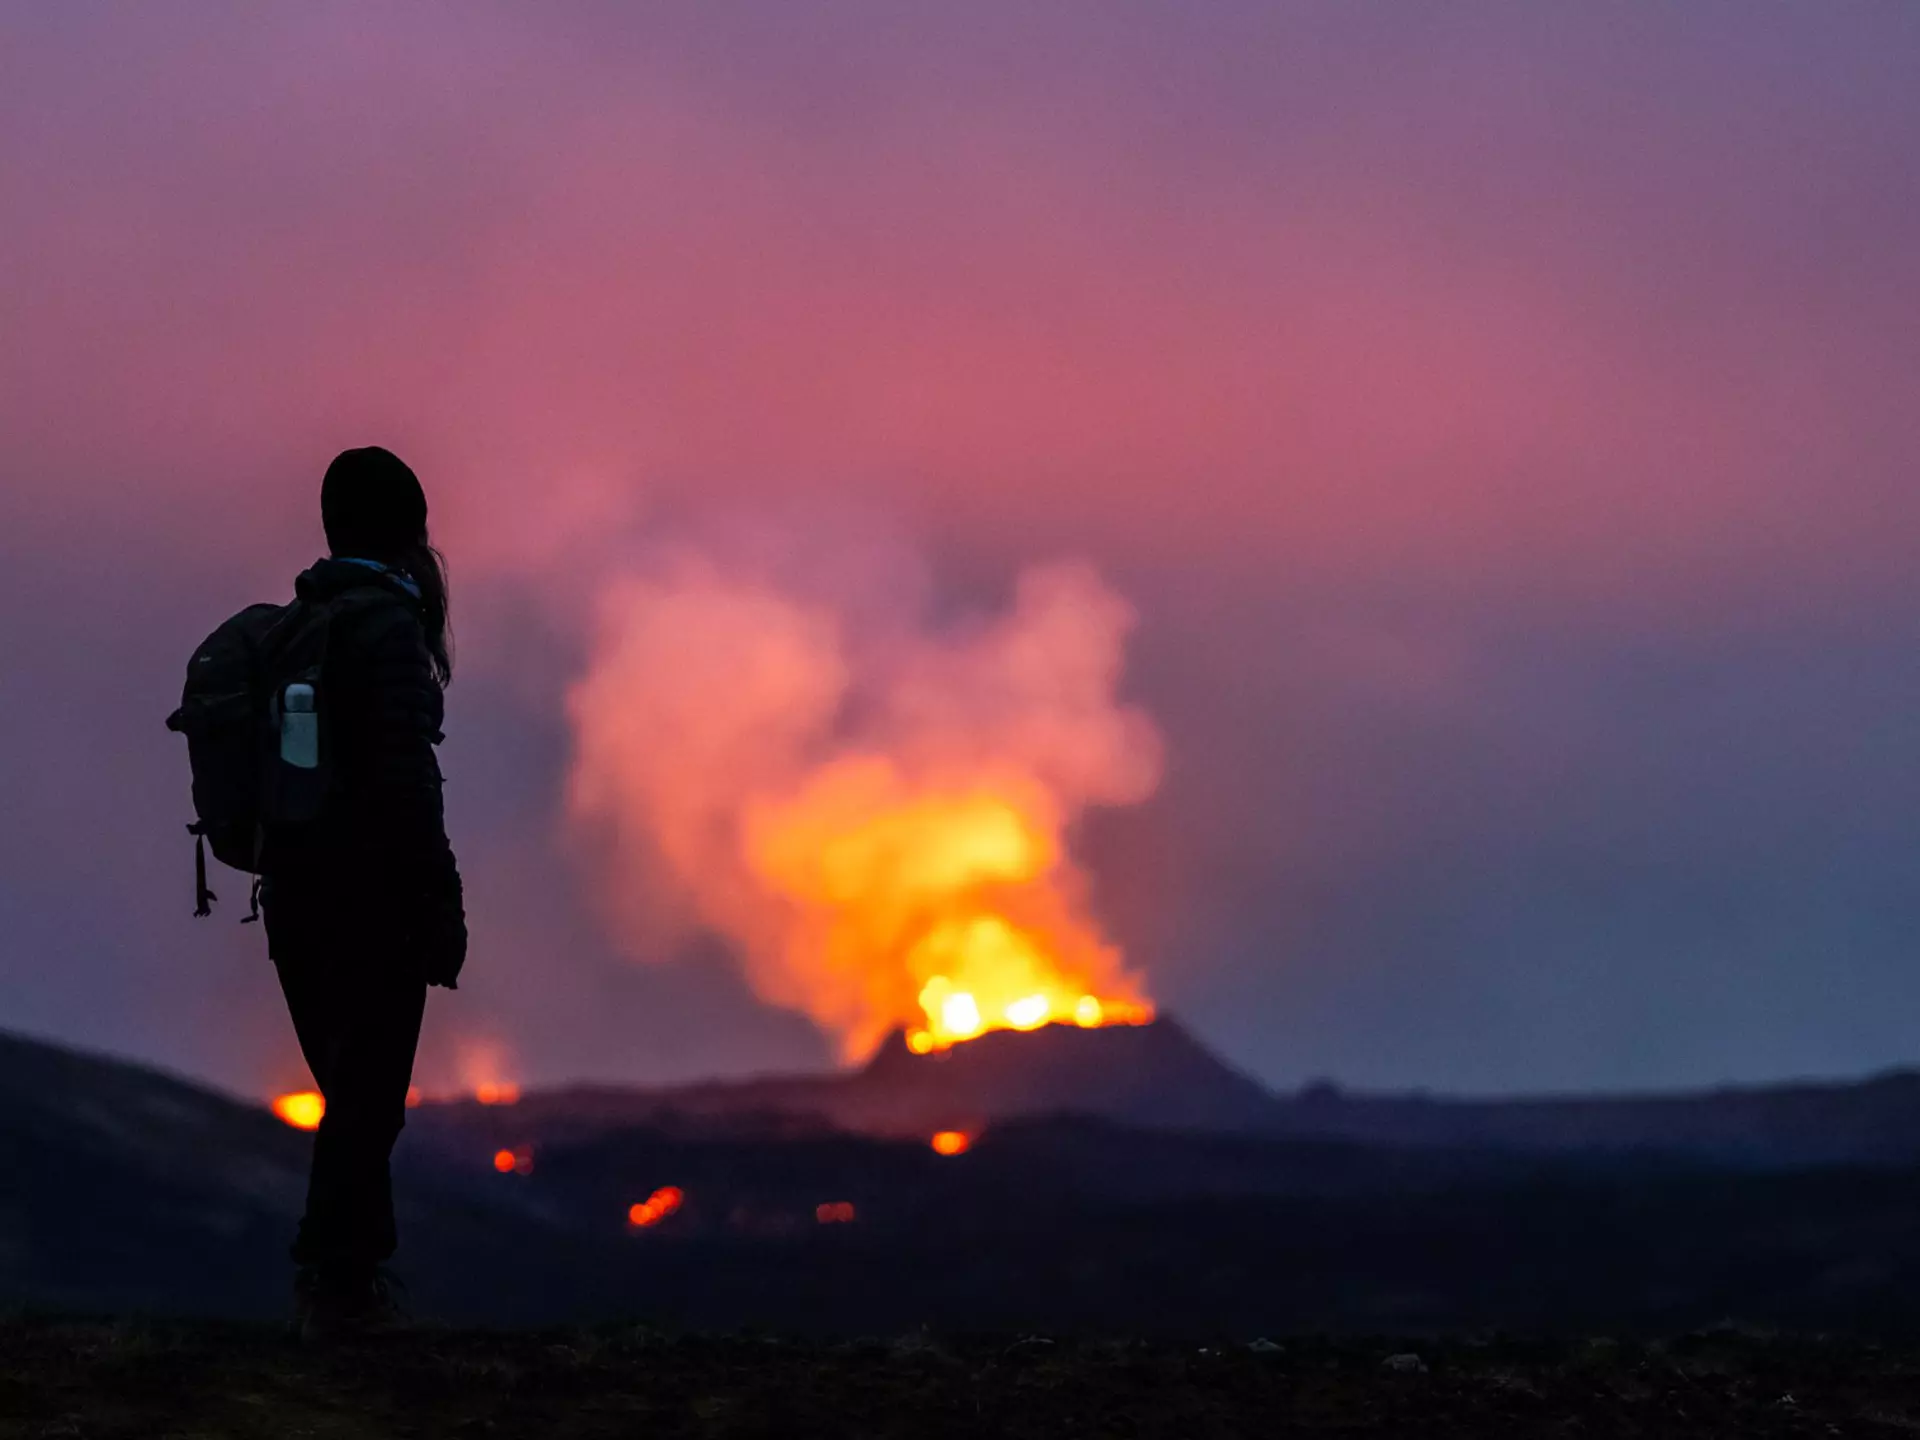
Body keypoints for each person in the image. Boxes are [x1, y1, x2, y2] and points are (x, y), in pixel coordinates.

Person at [262, 446, 467, 1337]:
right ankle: (335, 1293)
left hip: (292, 894)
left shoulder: (297, 624)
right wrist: (441, 902)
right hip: (370, 900)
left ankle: (348, 1294)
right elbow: (405, 779)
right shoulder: (387, 628)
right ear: (406, 526)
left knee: (351, 1094)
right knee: (368, 1100)